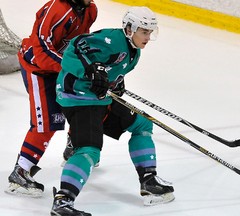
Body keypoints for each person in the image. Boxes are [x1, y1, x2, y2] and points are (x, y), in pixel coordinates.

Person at [50, 6, 175, 216]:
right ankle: (63, 201)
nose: (148, 36)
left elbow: (110, 69)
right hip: (78, 98)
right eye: (144, 31)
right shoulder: (112, 40)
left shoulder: (134, 51)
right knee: (89, 150)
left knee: (143, 124)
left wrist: (115, 82)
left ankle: (149, 181)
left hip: (100, 99)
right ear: (129, 28)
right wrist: (91, 69)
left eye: (150, 32)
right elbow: (76, 47)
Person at [5, 0, 98, 197]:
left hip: (59, 65)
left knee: (82, 102)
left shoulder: (90, 10)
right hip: (37, 68)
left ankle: (74, 146)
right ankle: (20, 172)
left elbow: (81, 44)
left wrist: (93, 66)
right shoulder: (57, 10)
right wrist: (74, 68)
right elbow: (41, 51)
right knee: (47, 122)